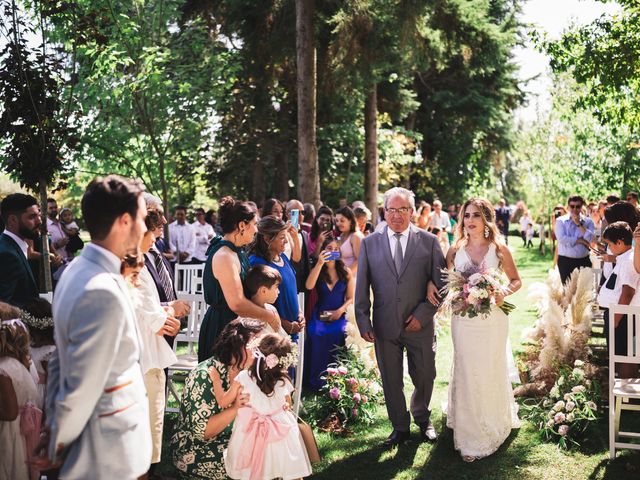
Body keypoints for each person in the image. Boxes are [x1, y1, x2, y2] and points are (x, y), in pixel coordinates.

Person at [39, 175, 152, 478]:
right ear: (124, 221)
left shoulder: (75, 270)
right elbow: (82, 387)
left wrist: (51, 427)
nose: (144, 227)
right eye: (142, 218)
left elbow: (59, 362)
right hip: (105, 454)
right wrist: (57, 445)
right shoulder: (101, 290)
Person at [355, 187, 445, 447]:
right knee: (391, 379)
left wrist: (423, 314)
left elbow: (442, 284)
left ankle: (422, 417)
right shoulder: (370, 243)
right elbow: (362, 284)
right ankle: (400, 426)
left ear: (412, 212)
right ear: (384, 212)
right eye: (391, 210)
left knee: (426, 374)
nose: (396, 215)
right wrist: (363, 320)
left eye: (402, 209)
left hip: (420, 324)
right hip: (384, 324)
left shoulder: (428, 241)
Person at [442, 198, 521, 462]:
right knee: (466, 368)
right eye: (466, 215)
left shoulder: (499, 249)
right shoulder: (455, 250)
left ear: (486, 219)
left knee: (488, 369)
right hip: (463, 320)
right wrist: (457, 296)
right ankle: (468, 432)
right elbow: (447, 281)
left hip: (491, 322)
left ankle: (492, 422)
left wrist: (501, 294)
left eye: (476, 215)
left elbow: (515, 280)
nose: (470, 220)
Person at [170, 319, 262, 479]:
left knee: (272, 455)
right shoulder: (205, 375)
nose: (261, 351)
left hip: (238, 439)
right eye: (256, 346)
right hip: (198, 448)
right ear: (237, 346)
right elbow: (203, 432)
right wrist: (235, 409)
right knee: (256, 464)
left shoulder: (254, 373)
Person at [129, 211, 182, 469]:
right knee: (148, 422)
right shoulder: (133, 267)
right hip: (146, 355)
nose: (156, 239)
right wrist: (171, 312)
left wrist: (163, 312)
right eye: (153, 233)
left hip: (139, 352)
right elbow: (156, 319)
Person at [198, 197, 278, 362]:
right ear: (242, 225)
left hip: (237, 326)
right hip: (222, 328)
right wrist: (269, 316)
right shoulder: (224, 256)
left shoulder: (236, 251)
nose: (256, 230)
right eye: (254, 224)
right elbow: (237, 303)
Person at [224, 333, 312, 480]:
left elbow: (225, 401)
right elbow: (287, 404)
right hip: (280, 431)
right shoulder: (283, 381)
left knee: (252, 467)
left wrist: (215, 380)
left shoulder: (244, 377)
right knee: (287, 467)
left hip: (250, 430)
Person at [304, 236, 354, 391]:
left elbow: (351, 298)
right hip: (321, 314)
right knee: (316, 332)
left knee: (339, 332)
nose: (332, 252)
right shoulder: (319, 270)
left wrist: (340, 310)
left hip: (339, 312)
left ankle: (336, 380)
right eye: (329, 249)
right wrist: (319, 263)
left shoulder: (345, 271)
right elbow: (308, 285)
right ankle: (316, 381)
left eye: (335, 249)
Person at [249, 216, 305, 338]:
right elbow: (256, 302)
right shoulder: (257, 263)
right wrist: (283, 324)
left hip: (292, 330)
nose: (286, 241)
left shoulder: (283, 257)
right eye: (282, 237)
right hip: (271, 333)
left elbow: (292, 289)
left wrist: (299, 313)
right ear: (268, 239)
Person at [0, 319, 41, 480]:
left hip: (9, 432)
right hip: (22, 430)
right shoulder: (23, 364)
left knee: (9, 466)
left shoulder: (3, 369)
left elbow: (10, 413)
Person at [597, 222, 639, 379]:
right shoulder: (624, 257)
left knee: (624, 356)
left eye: (609, 244)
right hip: (618, 315)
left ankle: (627, 391)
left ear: (620, 242)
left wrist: (615, 320)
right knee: (618, 355)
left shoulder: (628, 261)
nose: (609, 248)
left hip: (622, 317)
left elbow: (628, 292)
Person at [0, 194, 41, 308]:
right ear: (13, 220)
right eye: (32, 217)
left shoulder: (11, 245)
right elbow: (4, 308)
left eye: (39, 215)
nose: (39, 221)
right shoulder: (7, 255)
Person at [555, 195, 595, 283]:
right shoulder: (560, 221)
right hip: (565, 261)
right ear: (568, 207)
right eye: (572, 206)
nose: (574, 209)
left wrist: (578, 224)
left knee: (583, 292)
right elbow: (561, 239)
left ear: (582, 207)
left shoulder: (588, 222)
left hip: (583, 260)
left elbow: (591, 239)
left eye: (578, 206)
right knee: (568, 292)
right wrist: (579, 240)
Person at [244, 264, 288, 337]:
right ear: (263, 290)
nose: (278, 291)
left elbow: (283, 337)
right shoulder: (247, 320)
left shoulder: (272, 309)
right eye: (276, 287)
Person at [335, 206, 364, 274]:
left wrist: (347, 275)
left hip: (353, 277)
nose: (338, 223)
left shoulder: (355, 236)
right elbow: (338, 257)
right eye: (337, 221)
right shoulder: (341, 235)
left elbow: (359, 260)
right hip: (341, 276)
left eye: (342, 220)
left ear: (350, 221)